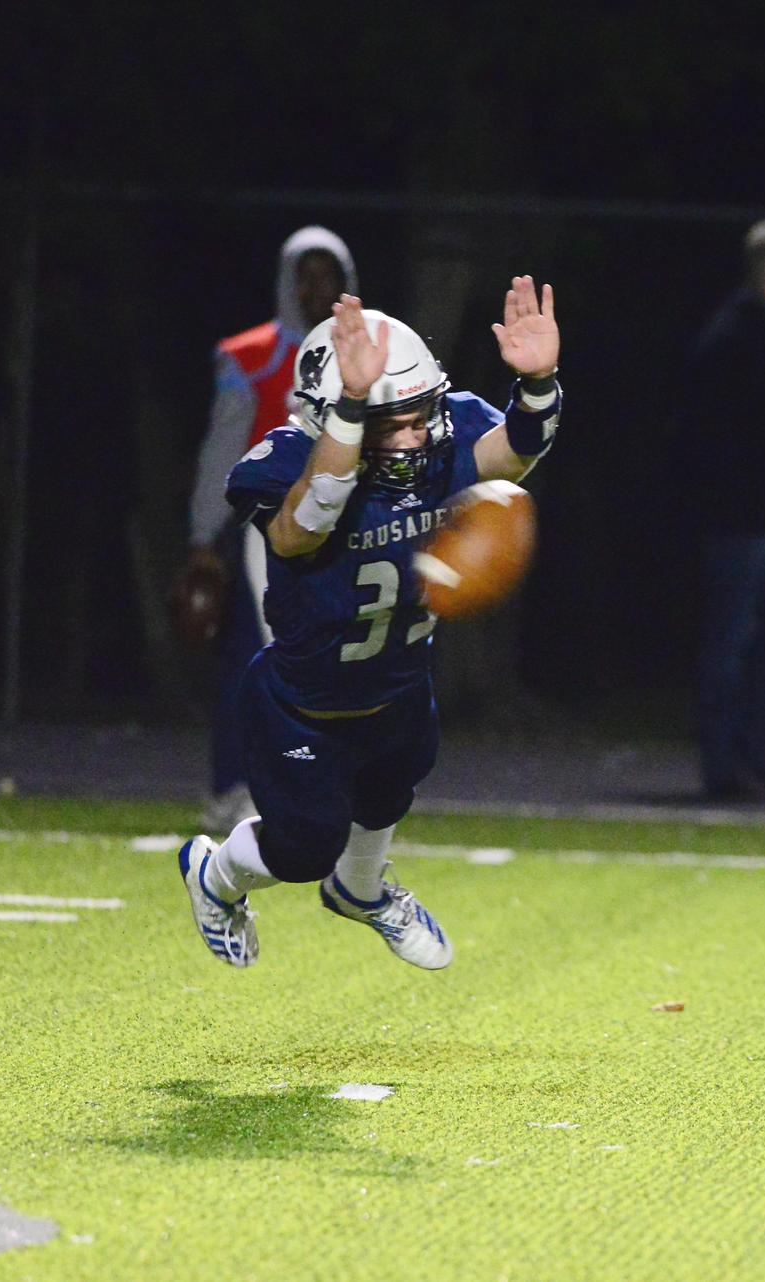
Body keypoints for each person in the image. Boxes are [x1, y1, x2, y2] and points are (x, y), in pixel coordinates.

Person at [175, 277, 562, 970]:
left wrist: (536, 385)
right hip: (303, 705)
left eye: (421, 415)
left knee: (391, 788)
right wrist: (353, 413)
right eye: (392, 423)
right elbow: (301, 529)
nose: (415, 436)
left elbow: (512, 457)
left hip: (399, 682)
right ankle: (216, 874)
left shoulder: (439, 444)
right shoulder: (284, 462)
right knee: (304, 849)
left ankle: (360, 890)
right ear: (330, 416)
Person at [181, 227, 357, 833]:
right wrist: (205, 536)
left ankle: (320, 786)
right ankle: (234, 786)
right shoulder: (252, 356)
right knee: (256, 661)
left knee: (340, 665)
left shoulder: (369, 353)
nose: (316, 289)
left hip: (343, 530)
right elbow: (221, 451)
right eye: (306, 275)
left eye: (327, 275)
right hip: (269, 529)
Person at [678, 219, 765, 802]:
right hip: (744, 517)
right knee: (731, 638)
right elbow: (713, 436)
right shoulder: (735, 336)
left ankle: (752, 753)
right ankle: (723, 763)